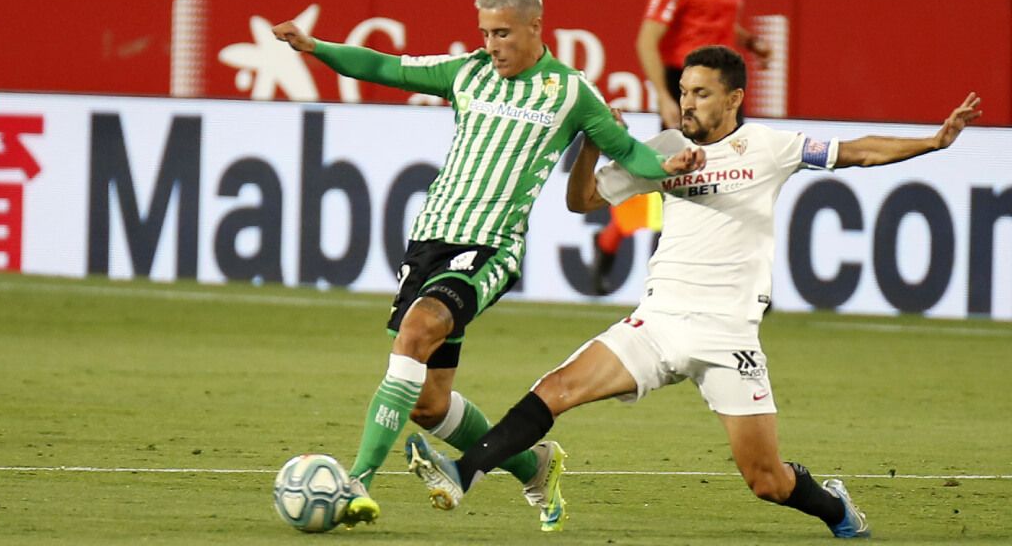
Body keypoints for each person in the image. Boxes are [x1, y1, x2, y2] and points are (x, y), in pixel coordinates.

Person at [406, 45, 982, 538]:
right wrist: (590, 147)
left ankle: (835, 507)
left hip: (727, 335)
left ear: (733, 99)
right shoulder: (660, 150)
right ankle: (463, 475)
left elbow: (854, 151)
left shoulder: (768, 146)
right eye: (684, 91)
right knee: (556, 389)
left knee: (767, 481)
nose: (687, 103)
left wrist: (932, 142)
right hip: (656, 323)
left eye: (702, 94)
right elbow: (583, 202)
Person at [271, 0, 701, 532]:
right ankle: (533, 466)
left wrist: (664, 167)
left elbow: (628, 152)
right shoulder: (468, 73)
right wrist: (316, 47)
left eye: (501, 33)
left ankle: (359, 481)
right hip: (429, 240)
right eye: (484, 32)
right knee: (428, 403)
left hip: (491, 246)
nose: (491, 44)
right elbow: (384, 66)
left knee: (417, 332)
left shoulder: (571, 92)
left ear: (534, 27)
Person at [591, 0, 772, 295]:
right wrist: (663, 95)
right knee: (675, 185)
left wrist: (750, 42)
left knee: (736, 182)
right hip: (687, 87)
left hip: (723, 90)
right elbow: (647, 39)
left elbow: (717, 21)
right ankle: (617, 245)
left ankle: (744, 280)